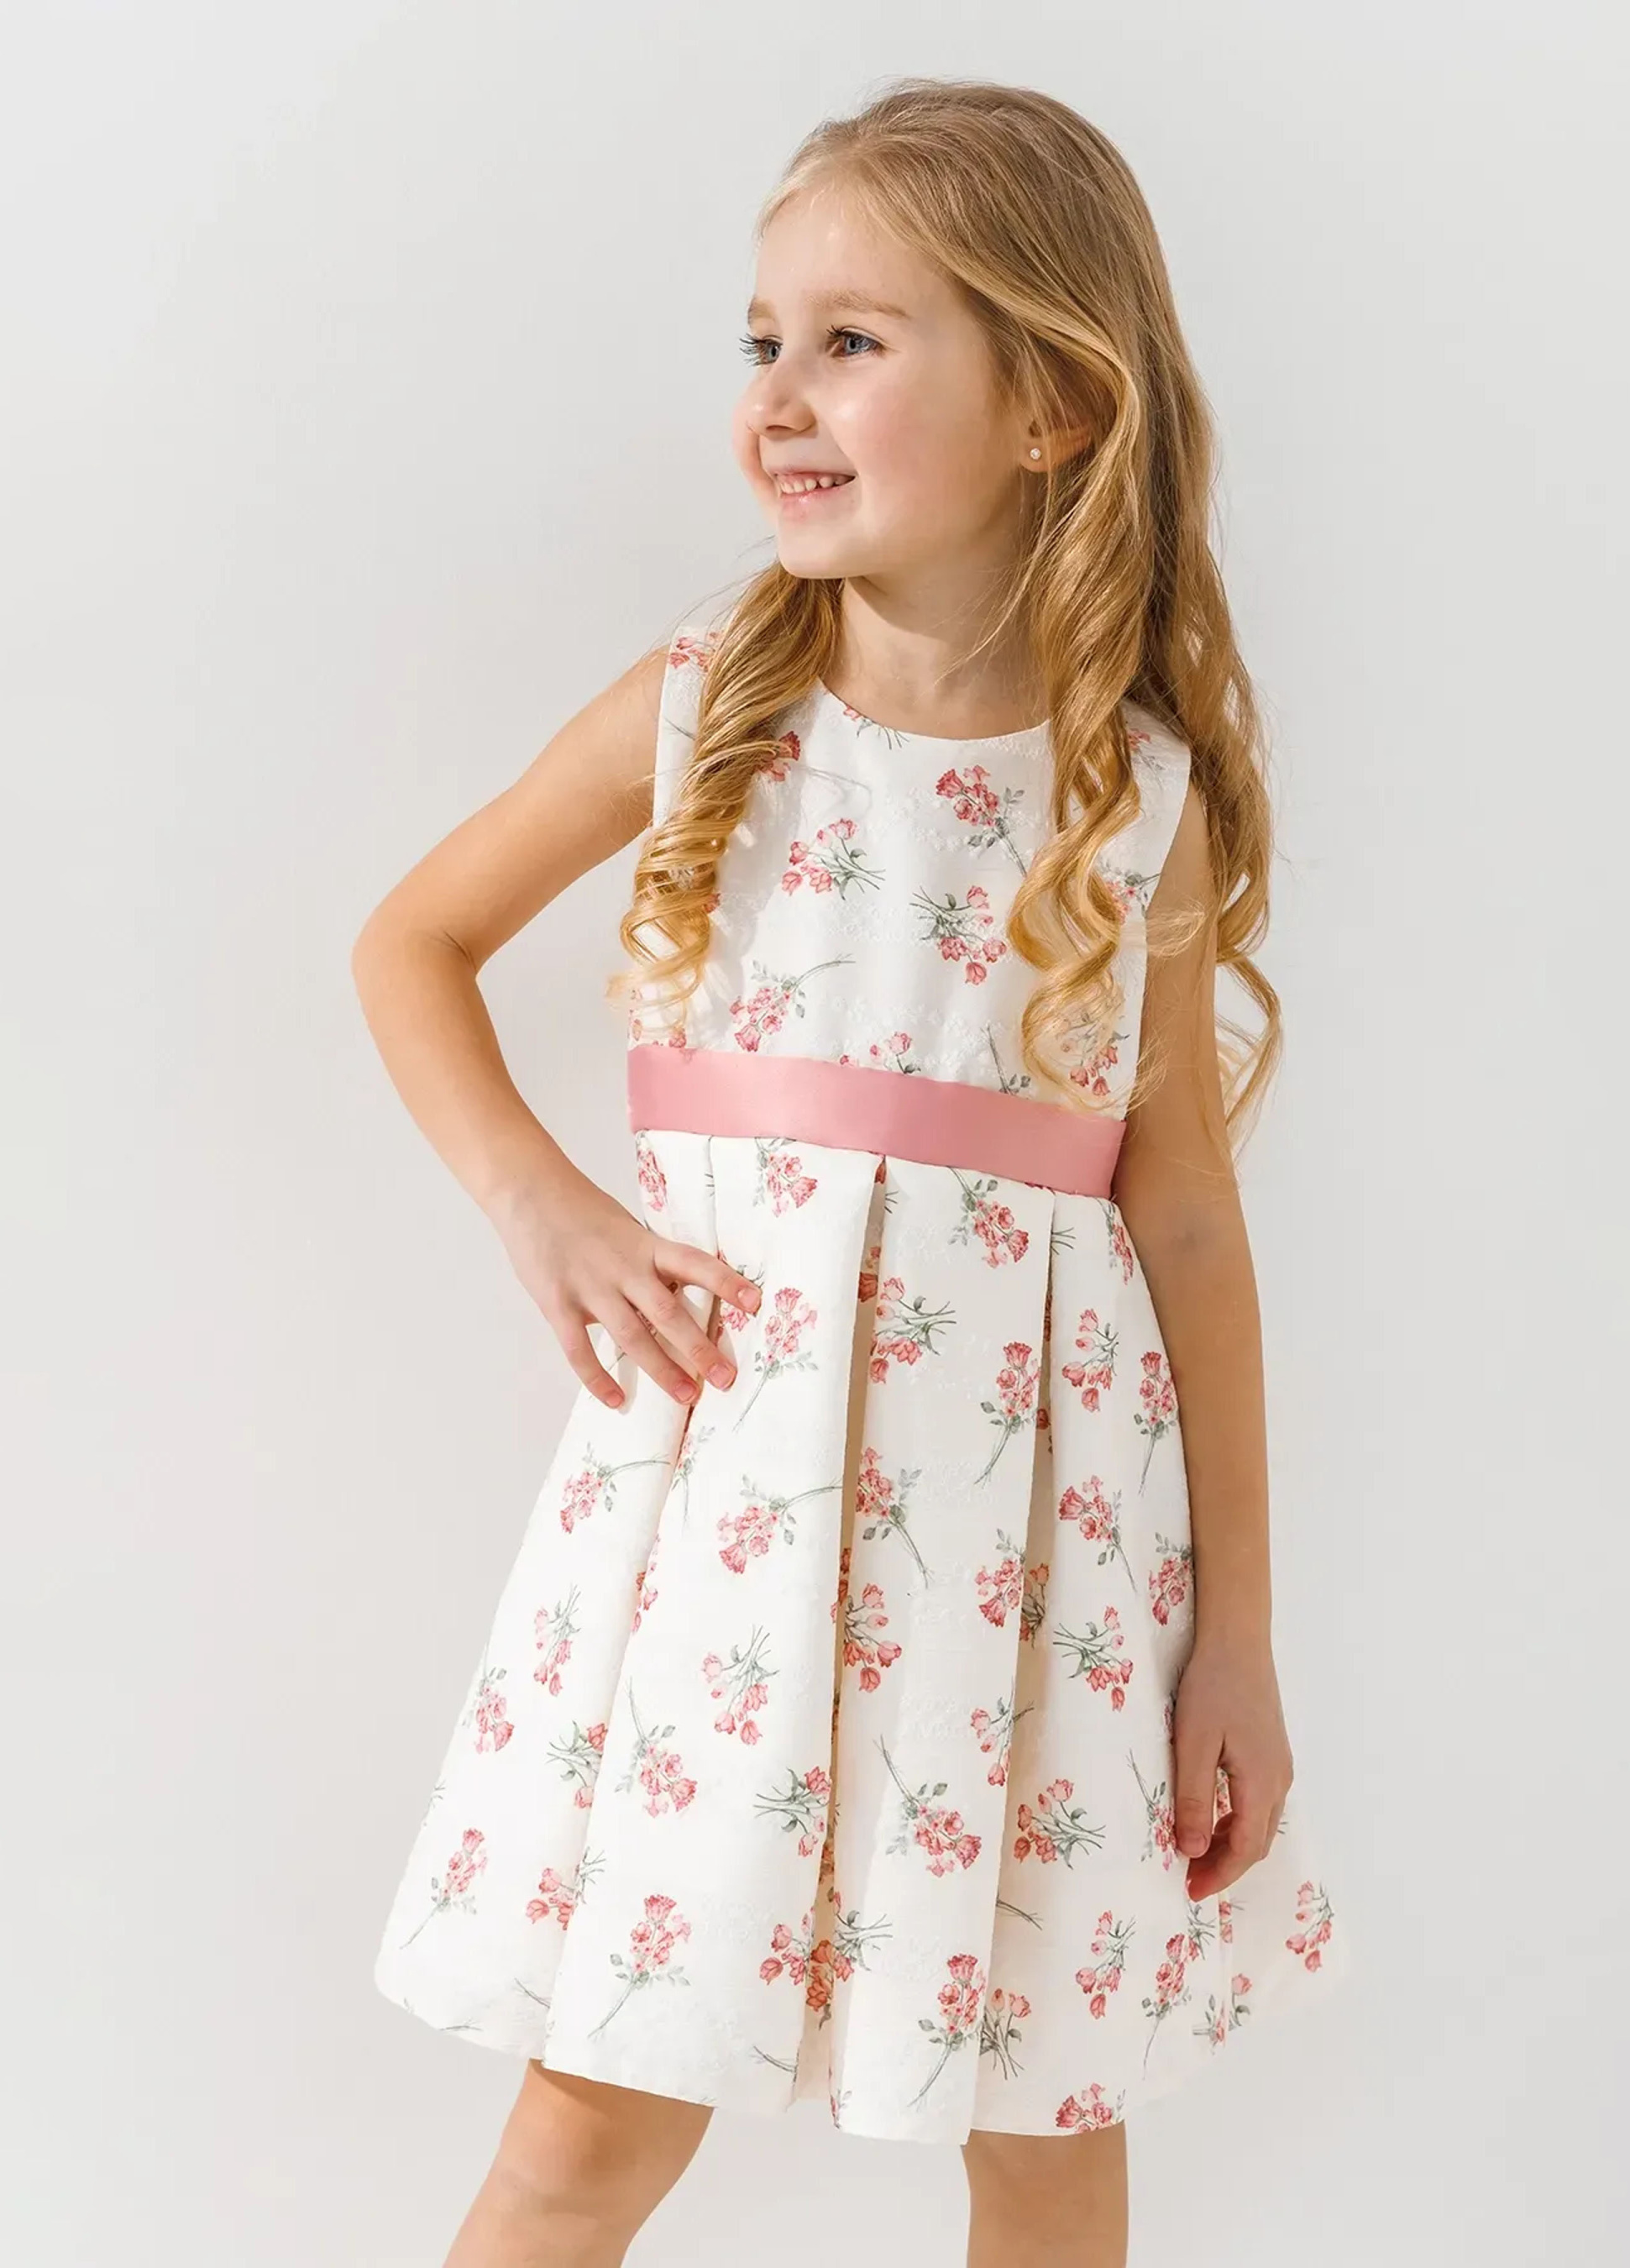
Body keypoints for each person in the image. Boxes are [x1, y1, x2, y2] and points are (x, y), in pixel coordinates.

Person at [356, 75, 1345, 2268]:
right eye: (762, 340)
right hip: (729, 1530)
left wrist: (1239, 1640)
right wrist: (542, 1202)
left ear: (1051, 405)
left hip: (1038, 1577)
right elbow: (409, 942)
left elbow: (1184, 1214)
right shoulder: (706, 708)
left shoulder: (1133, 799)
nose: (778, 396)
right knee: (589, 2126)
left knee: (1046, 2135)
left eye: (852, 340)